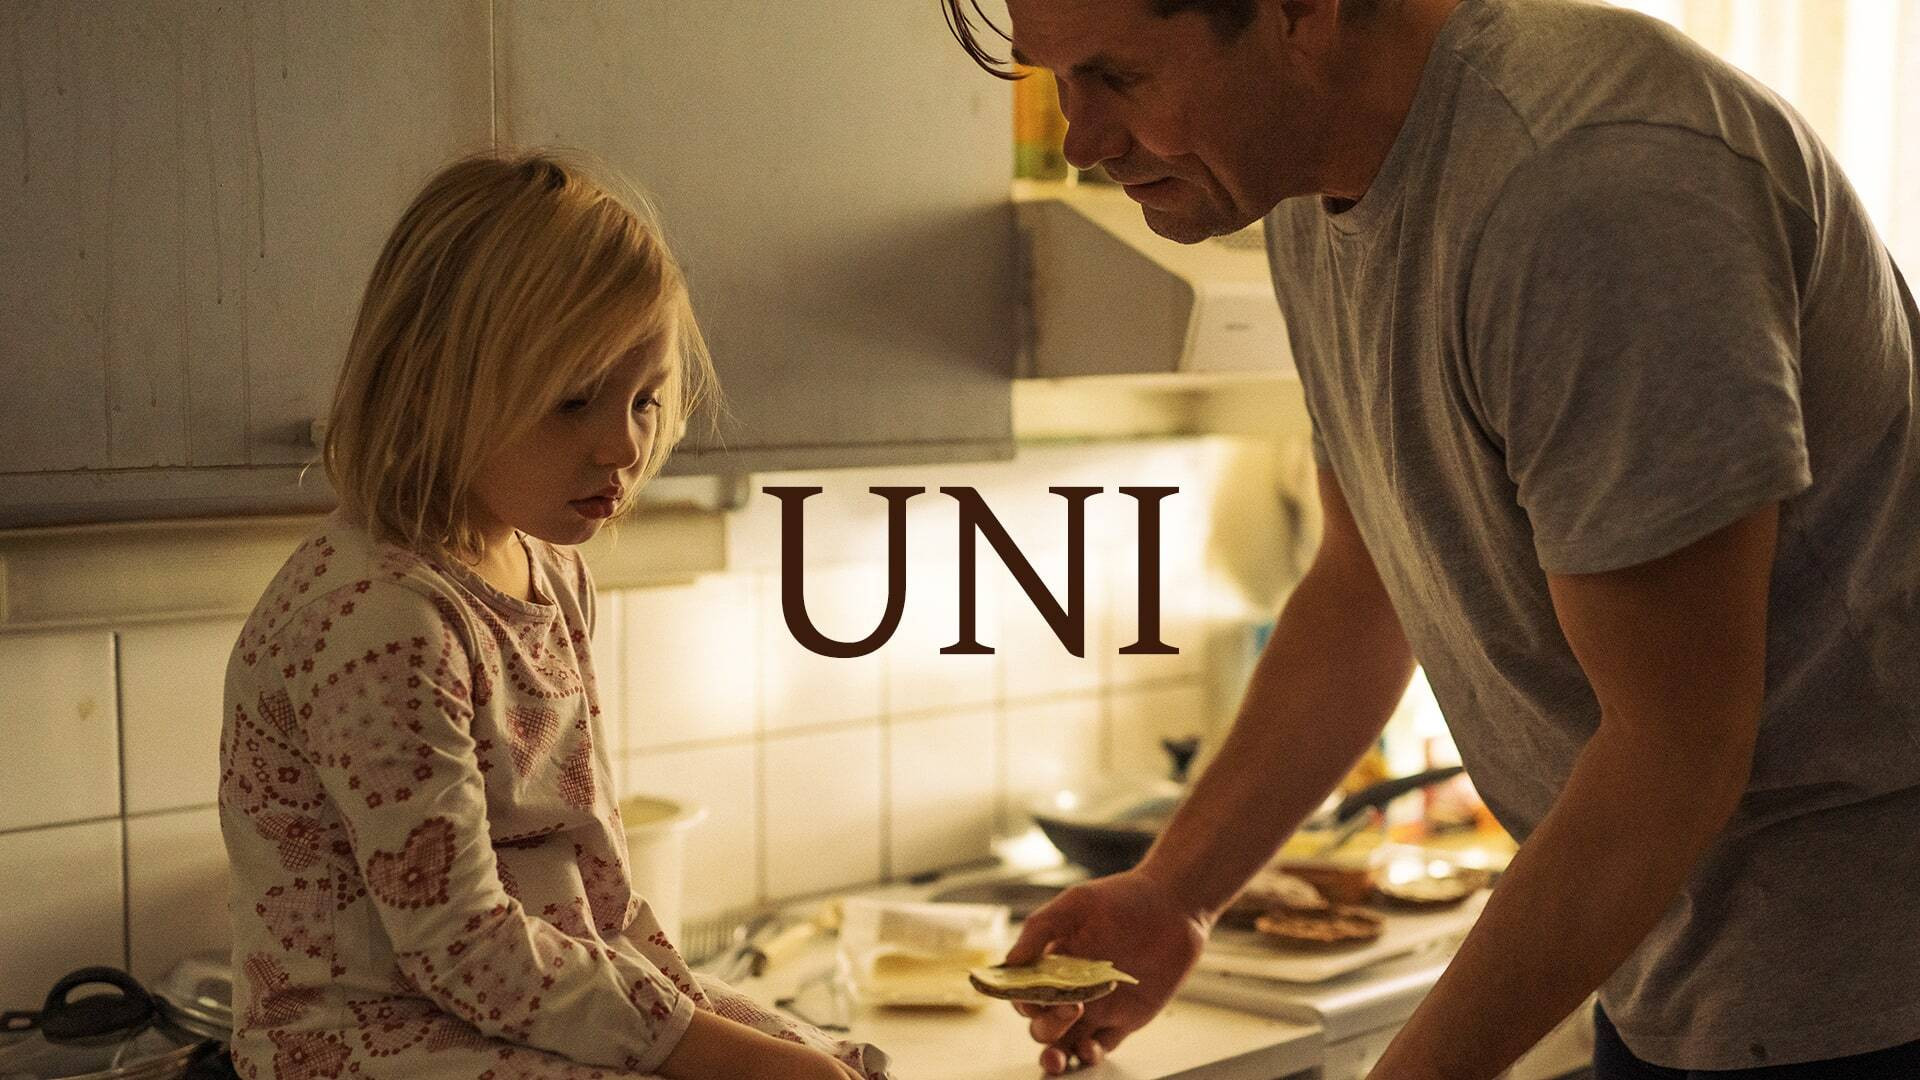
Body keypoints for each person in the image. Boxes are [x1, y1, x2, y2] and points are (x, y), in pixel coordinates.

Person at [943, 0, 1920, 1077]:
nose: (1082, 141)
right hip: (1679, 958)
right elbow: (1364, 582)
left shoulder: (1591, 189)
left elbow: (1675, 747)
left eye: (1119, 78)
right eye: (1056, 81)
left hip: (1867, 979)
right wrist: (1175, 892)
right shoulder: (1308, 187)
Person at [219, 149, 892, 1080]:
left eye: (645, 399)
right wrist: (708, 1051)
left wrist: (719, 1024)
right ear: (433, 385)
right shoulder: (381, 616)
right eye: (573, 401)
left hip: (513, 1009)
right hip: (362, 1041)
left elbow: (595, 878)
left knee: (843, 1059)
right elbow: (461, 945)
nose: (623, 445)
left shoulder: (549, 569)